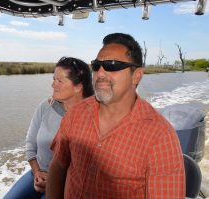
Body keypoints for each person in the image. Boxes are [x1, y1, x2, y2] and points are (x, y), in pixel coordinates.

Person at [46, 33, 185, 199]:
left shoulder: (160, 137)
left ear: (137, 75)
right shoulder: (75, 114)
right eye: (96, 65)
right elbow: (58, 166)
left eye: (112, 65)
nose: (100, 73)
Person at [3, 57, 94, 199]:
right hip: (37, 173)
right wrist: (37, 172)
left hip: (68, 183)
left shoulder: (93, 117)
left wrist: (54, 181)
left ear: (78, 87)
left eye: (59, 81)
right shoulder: (45, 107)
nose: (53, 85)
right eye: (53, 79)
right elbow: (30, 143)